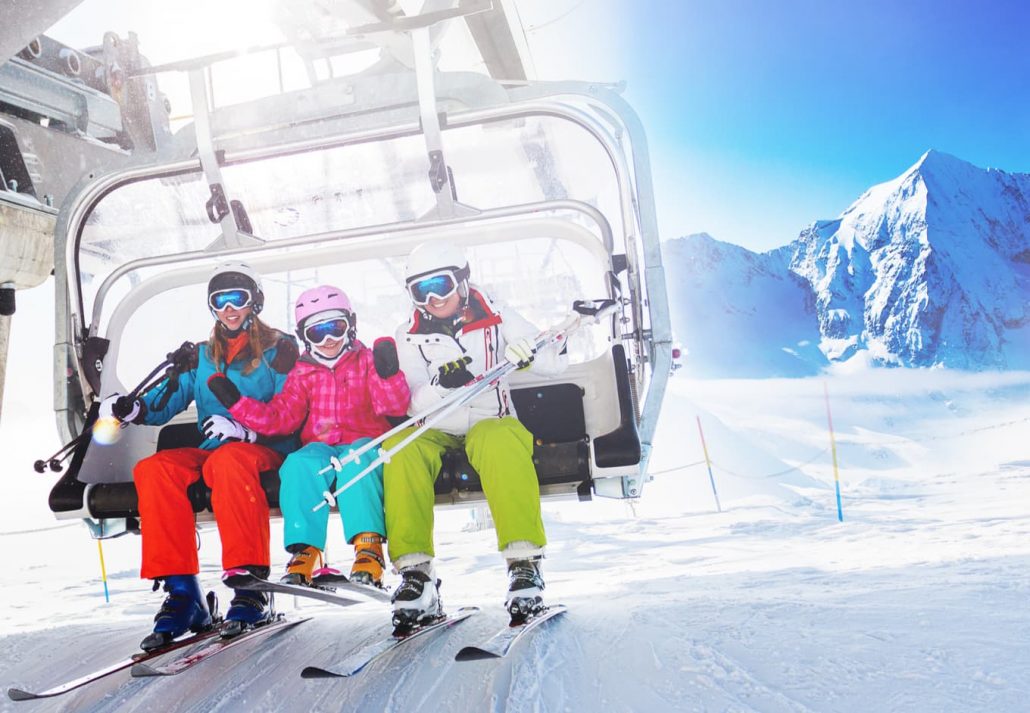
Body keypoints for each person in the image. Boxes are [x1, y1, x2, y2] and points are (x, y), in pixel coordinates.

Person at [99, 261, 299, 650]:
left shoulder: (280, 349)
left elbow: (293, 411)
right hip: (216, 450)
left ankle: (249, 586)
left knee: (229, 461)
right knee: (155, 470)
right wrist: (134, 408)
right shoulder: (203, 355)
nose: (228, 308)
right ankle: (184, 593)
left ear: (254, 302)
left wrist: (247, 431)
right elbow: (167, 401)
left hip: (266, 449)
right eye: (219, 301)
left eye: (237, 299)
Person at [384, 241, 566, 627]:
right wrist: (442, 388)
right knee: (399, 448)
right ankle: (416, 574)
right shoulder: (408, 334)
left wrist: (530, 352)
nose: (433, 298)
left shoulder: (497, 316)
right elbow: (413, 402)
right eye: (421, 290)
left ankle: (523, 563)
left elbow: (551, 359)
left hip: (490, 419)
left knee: (499, 441)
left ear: (462, 282)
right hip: (436, 425)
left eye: (442, 285)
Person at [208, 285, 410, 589]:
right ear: (305, 336)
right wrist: (238, 403)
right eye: (318, 333)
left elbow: (391, 405)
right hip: (321, 447)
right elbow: (282, 416)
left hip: (364, 441)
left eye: (335, 329)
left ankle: (368, 547)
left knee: (356, 462)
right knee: (298, 464)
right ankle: (306, 549)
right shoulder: (303, 371)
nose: (328, 340)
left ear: (350, 327)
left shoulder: (366, 361)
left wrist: (388, 374)